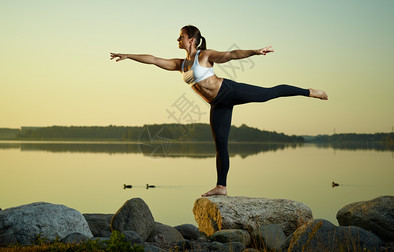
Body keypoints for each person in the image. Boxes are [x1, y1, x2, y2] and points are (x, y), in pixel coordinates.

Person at [110, 25, 328, 197]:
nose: (178, 40)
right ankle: (221, 186)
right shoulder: (181, 64)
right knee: (220, 143)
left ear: (192, 39)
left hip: (229, 90)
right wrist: (129, 55)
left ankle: (309, 91)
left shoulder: (204, 56)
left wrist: (255, 51)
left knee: (268, 93)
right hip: (217, 105)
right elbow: (155, 59)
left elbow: (231, 55)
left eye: (181, 36)